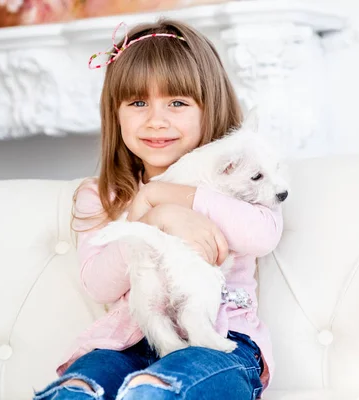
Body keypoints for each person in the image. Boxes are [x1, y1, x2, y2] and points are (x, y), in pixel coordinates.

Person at [33, 18, 283, 400]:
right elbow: (98, 283)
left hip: (220, 341)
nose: (156, 120)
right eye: (137, 102)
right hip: (125, 344)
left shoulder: (239, 175)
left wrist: (170, 197)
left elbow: (262, 235)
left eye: (177, 102)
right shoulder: (101, 195)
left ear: (208, 106)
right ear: (115, 114)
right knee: (77, 390)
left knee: (160, 390)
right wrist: (150, 216)